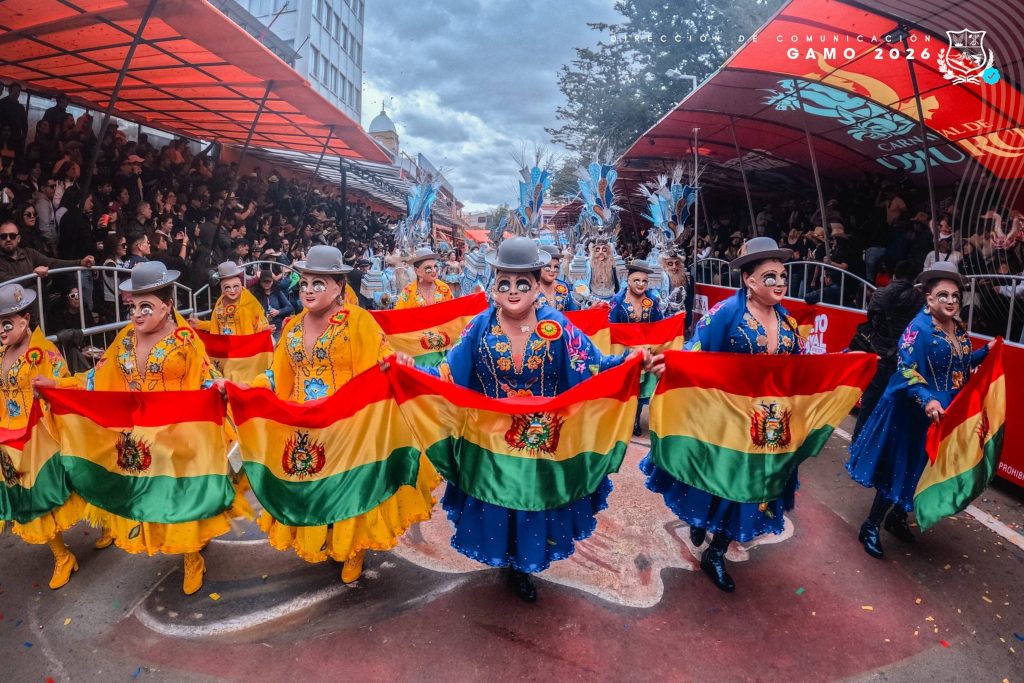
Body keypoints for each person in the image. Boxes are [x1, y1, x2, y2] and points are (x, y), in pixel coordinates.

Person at [425, 237, 662, 602]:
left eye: (523, 282)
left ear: (537, 286)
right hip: (490, 446)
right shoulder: (479, 328)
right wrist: (408, 372)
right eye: (504, 281)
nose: (513, 290)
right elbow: (447, 373)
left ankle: (522, 568)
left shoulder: (557, 325)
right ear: (493, 285)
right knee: (500, 504)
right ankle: (507, 560)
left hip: (543, 441)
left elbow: (593, 366)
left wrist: (633, 361)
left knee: (533, 506)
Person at [33, 262, 239, 595]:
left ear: (167, 306)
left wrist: (219, 389)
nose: (137, 314)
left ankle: (192, 557)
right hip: (139, 436)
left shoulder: (185, 339)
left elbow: (206, 378)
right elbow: (96, 378)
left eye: (146, 306)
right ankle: (184, 546)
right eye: (133, 307)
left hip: (179, 434)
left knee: (180, 500)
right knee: (153, 500)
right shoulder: (125, 339)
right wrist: (58, 385)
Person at [244, 246, 438, 583]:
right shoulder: (292, 326)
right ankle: (326, 535)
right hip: (306, 424)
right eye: (305, 283)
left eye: (318, 284)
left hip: (349, 424)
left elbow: (382, 358)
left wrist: (397, 364)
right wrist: (250, 390)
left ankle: (352, 548)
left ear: (338, 287)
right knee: (316, 484)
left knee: (348, 487)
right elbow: (277, 373)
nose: (308, 290)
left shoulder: (359, 321)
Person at [641, 237, 804, 592]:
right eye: (771, 277)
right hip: (725, 418)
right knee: (717, 479)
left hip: (766, 424)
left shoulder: (788, 321)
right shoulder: (726, 313)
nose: (780, 283)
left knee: (749, 486)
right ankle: (702, 524)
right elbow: (695, 350)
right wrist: (668, 364)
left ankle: (716, 550)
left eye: (782, 276)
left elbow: (800, 366)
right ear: (749, 279)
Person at [847, 261, 993, 559]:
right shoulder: (918, 329)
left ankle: (897, 517)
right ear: (928, 297)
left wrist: (985, 353)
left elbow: (960, 363)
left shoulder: (957, 327)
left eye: (955, 296)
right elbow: (907, 369)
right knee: (899, 467)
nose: (951, 301)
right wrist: (927, 399)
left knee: (924, 468)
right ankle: (871, 525)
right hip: (912, 412)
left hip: (944, 413)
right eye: (943, 295)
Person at [0, 283, 83, 590]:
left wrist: (50, 387)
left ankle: (105, 524)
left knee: (64, 488)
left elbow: (63, 385)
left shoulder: (44, 352)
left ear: (25, 320)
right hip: (10, 440)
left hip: (41, 435)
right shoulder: (1, 353)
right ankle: (62, 556)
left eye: (6, 323)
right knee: (30, 499)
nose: (1, 331)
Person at [852, 261, 923, 439]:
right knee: (896, 406)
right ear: (914, 278)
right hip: (904, 358)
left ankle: (858, 441)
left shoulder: (880, 294)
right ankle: (883, 446)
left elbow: (871, 318)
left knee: (869, 402)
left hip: (878, 353)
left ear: (894, 275)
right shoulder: (919, 300)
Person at [0, 220, 94, 284]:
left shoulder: (29, 253)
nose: (8, 239)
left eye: (12, 236)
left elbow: (53, 263)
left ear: (18, 238)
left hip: (35, 304)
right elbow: (8, 281)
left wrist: (80, 262)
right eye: (3, 236)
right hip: (11, 307)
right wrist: (34, 275)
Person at [188, 261, 268, 335]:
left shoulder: (249, 301)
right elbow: (218, 325)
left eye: (236, 286)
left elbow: (260, 319)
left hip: (246, 343)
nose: (232, 291)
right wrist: (199, 324)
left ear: (241, 286)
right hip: (225, 344)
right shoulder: (219, 304)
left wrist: (264, 328)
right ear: (222, 289)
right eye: (227, 287)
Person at [535, 244, 577, 311]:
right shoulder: (531, 288)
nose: (552, 270)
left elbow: (574, 312)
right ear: (538, 267)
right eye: (548, 267)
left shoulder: (563, 285)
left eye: (556, 267)